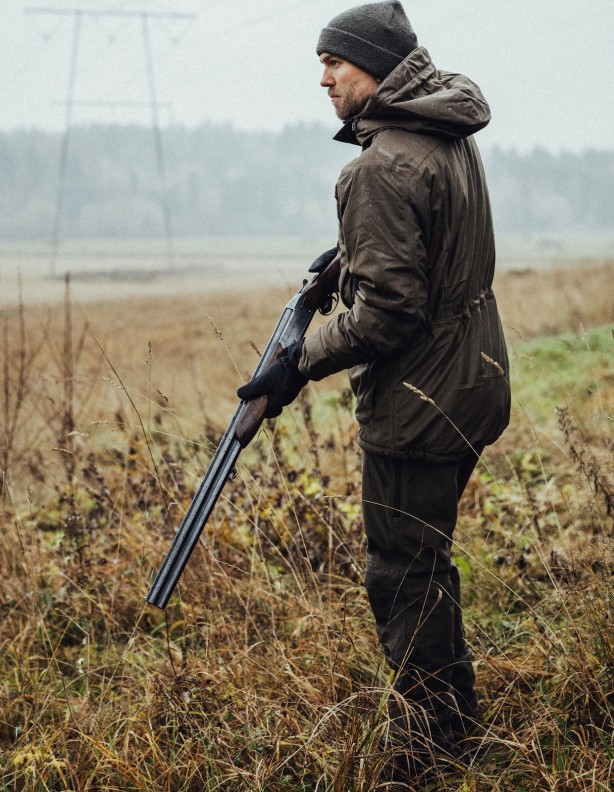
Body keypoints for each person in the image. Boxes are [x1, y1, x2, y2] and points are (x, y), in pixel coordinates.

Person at [238, 0, 510, 782]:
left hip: (420, 401)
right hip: (474, 381)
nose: (323, 79)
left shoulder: (381, 166)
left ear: (380, 69)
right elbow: (425, 261)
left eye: (336, 63)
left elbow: (388, 313)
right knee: (428, 559)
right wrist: (350, 262)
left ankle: (433, 748)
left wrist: (294, 364)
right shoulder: (444, 132)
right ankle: (453, 722)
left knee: (403, 572)